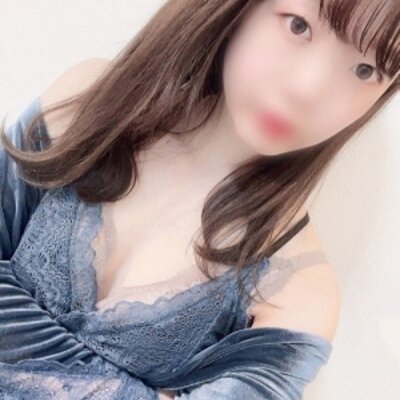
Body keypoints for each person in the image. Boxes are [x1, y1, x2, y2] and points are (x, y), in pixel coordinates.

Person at [0, 0, 398, 398]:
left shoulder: (299, 293)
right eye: (297, 26)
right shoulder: (90, 102)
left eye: (366, 70)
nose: (306, 90)